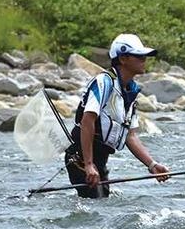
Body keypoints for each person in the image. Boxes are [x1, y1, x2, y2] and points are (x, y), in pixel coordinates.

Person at [64, 34, 170, 198]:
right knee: (95, 208)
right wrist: (89, 164)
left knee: (101, 206)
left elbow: (130, 136)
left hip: (100, 160)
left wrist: (152, 165)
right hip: (81, 159)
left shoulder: (130, 90)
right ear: (123, 58)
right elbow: (87, 121)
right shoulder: (103, 82)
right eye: (139, 56)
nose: (144, 60)